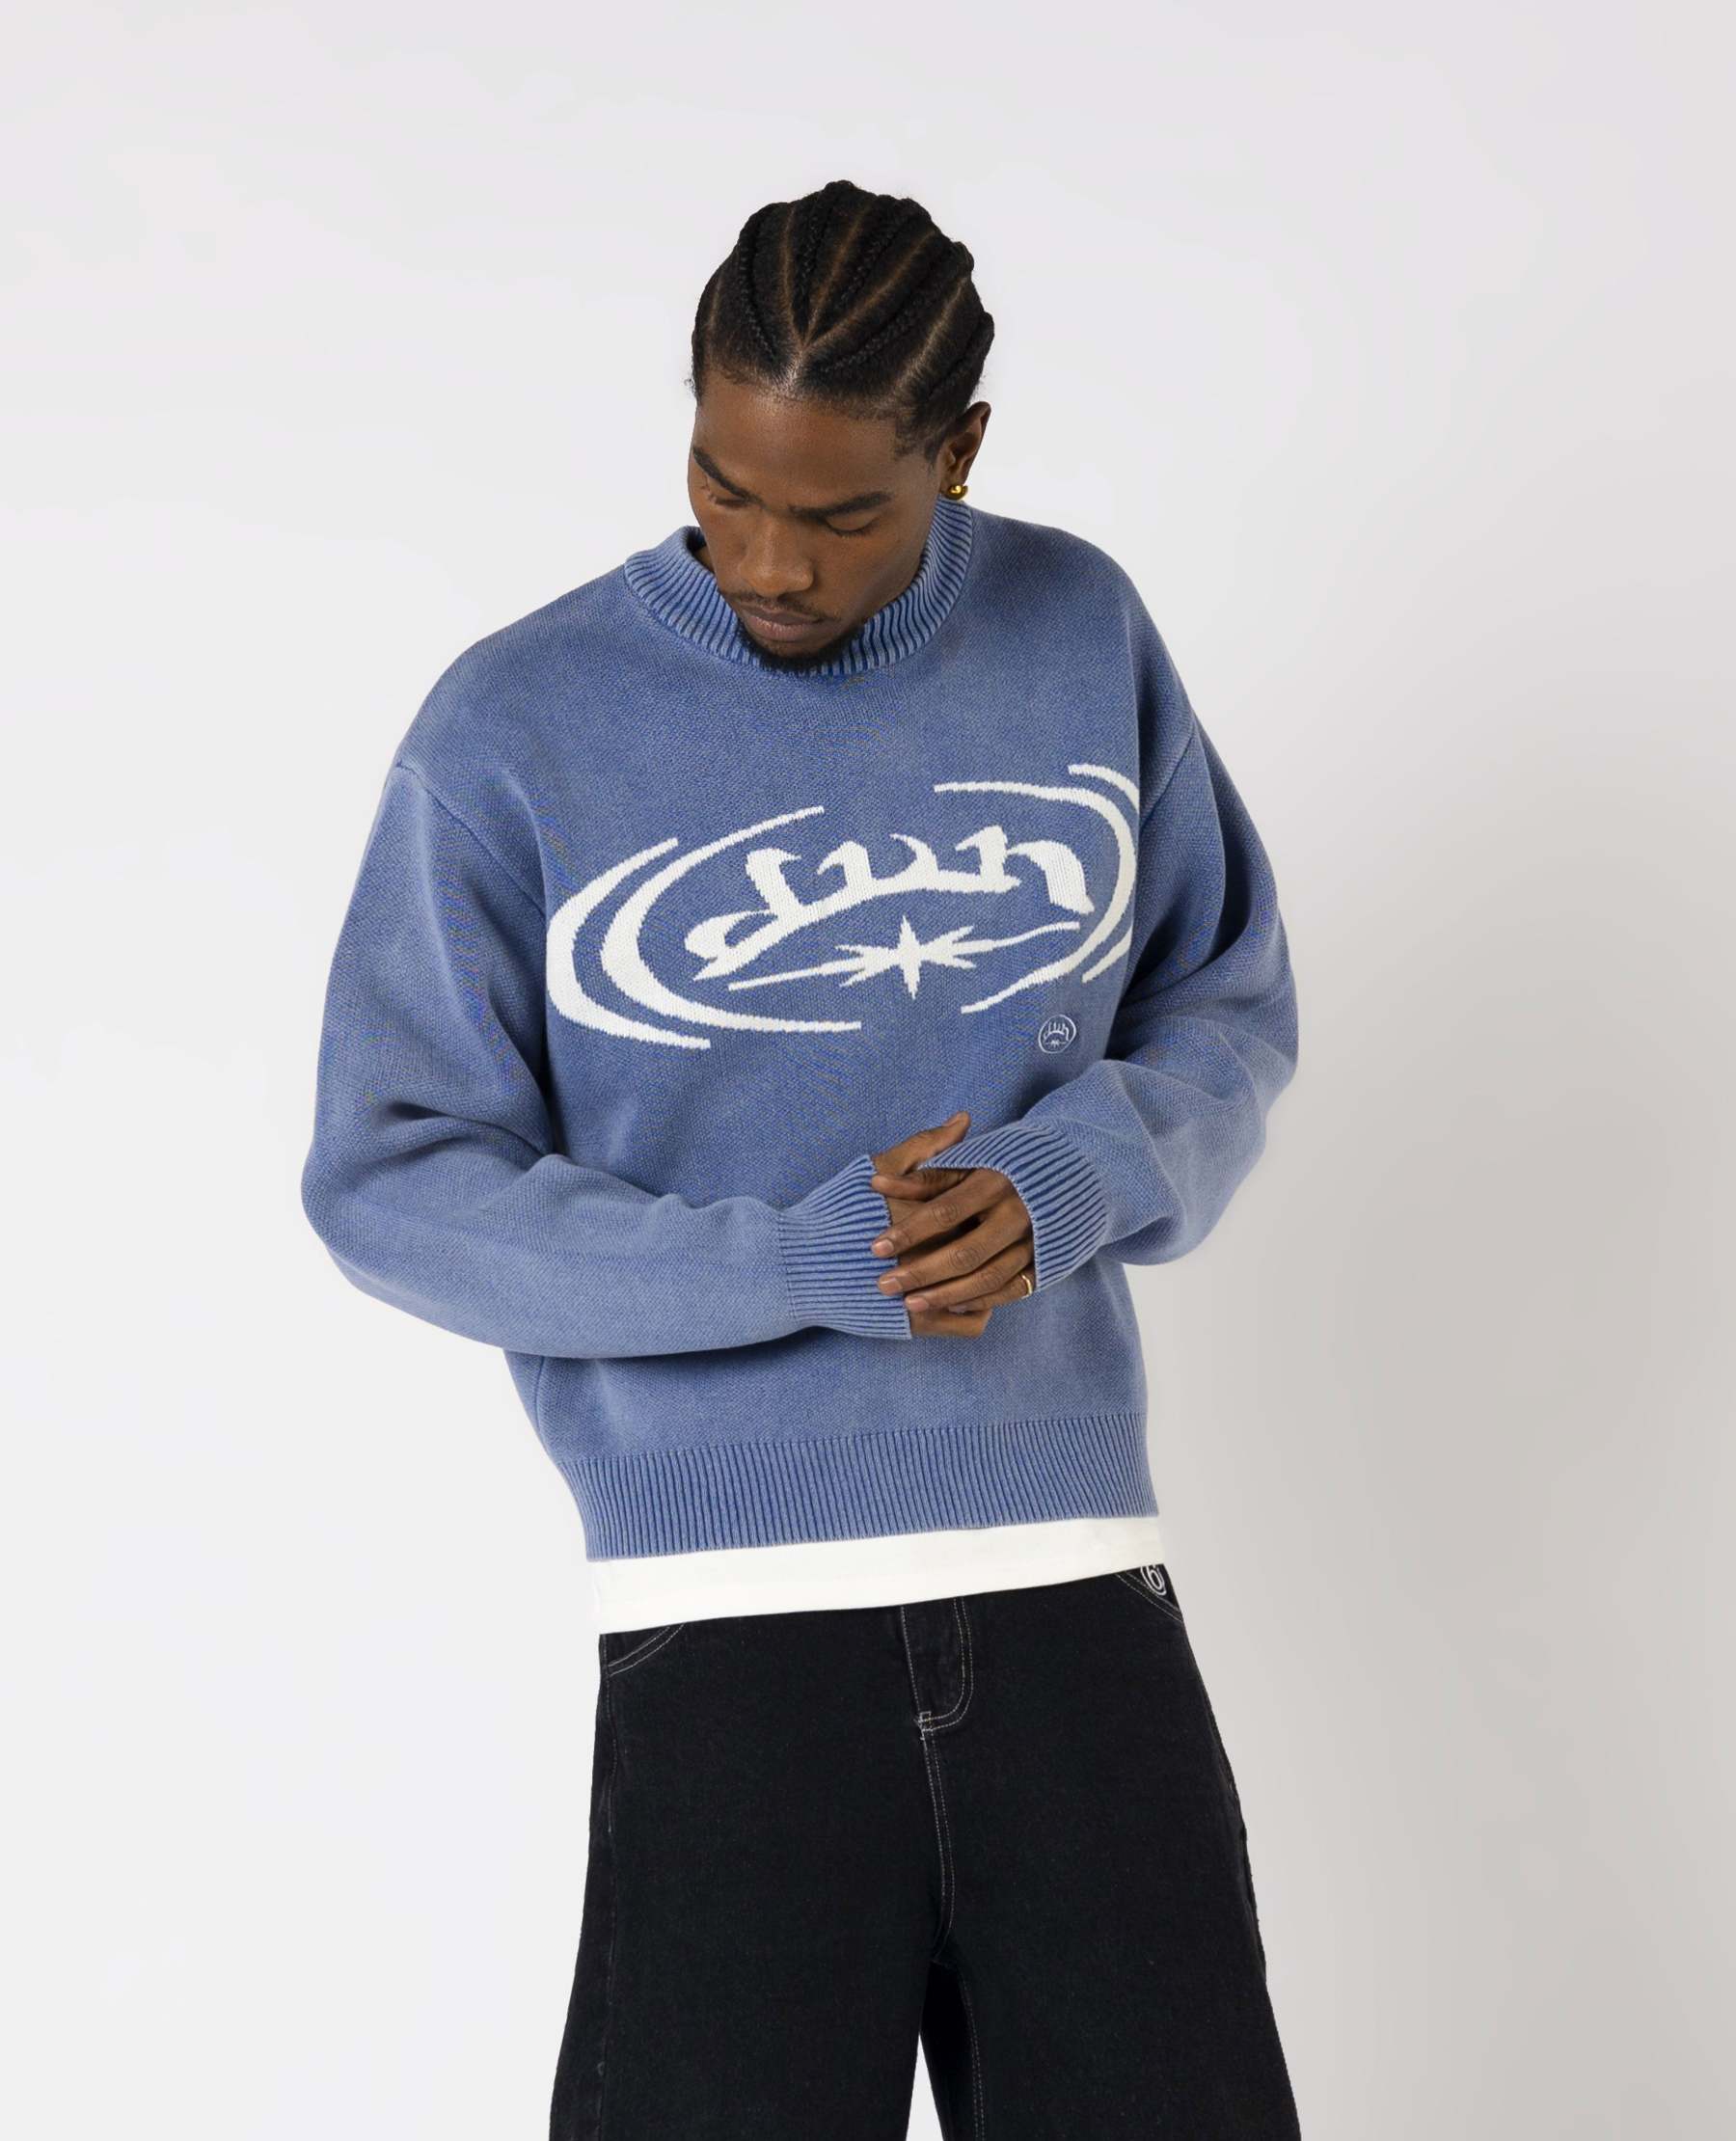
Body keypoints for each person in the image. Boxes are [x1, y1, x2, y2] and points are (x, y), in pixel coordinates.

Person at [300, 176, 1303, 2138]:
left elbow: (1224, 1010)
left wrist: (1068, 1181)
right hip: (728, 1625)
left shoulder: (1078, 629)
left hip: (1075, 1587)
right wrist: (789, 1261)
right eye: (724, 487)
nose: (769, 561)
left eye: (843, 516)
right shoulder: (517, 724)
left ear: (960, 452)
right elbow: (390, 1176)